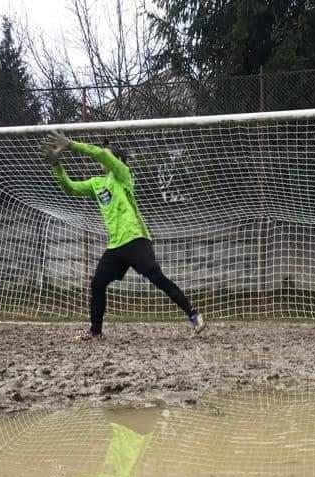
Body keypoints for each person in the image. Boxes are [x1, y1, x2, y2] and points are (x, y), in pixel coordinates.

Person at [45, 131, 206, 340]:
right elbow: (70, 188)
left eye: (108, 155)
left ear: (118, 159)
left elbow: (102, 156)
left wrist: (72, 144)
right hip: (115, 246)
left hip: (136, 238)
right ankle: (95, 332)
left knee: (156, 277)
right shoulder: (97, 184)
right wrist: (56, 165)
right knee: (97, 284)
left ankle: (193, 314)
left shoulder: (123, 175)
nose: (103, 158)